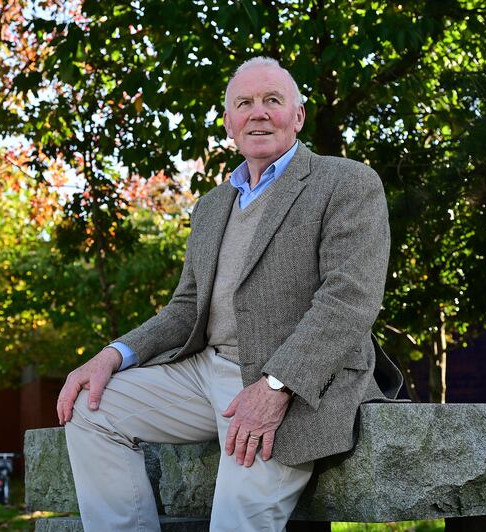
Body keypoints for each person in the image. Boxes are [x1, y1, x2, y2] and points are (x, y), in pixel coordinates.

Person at [57, 56, 403, 532]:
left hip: (296, 383)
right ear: (229, 123)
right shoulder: (212, 205)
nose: (258, 113)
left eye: (272, 100)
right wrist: (113, 355)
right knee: (92, 408)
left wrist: (276, 386)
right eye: (245, 103)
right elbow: (185, 308)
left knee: (235, 524)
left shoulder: (345, 182)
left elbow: (348, 301)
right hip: (204, 374)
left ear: (298, 116)